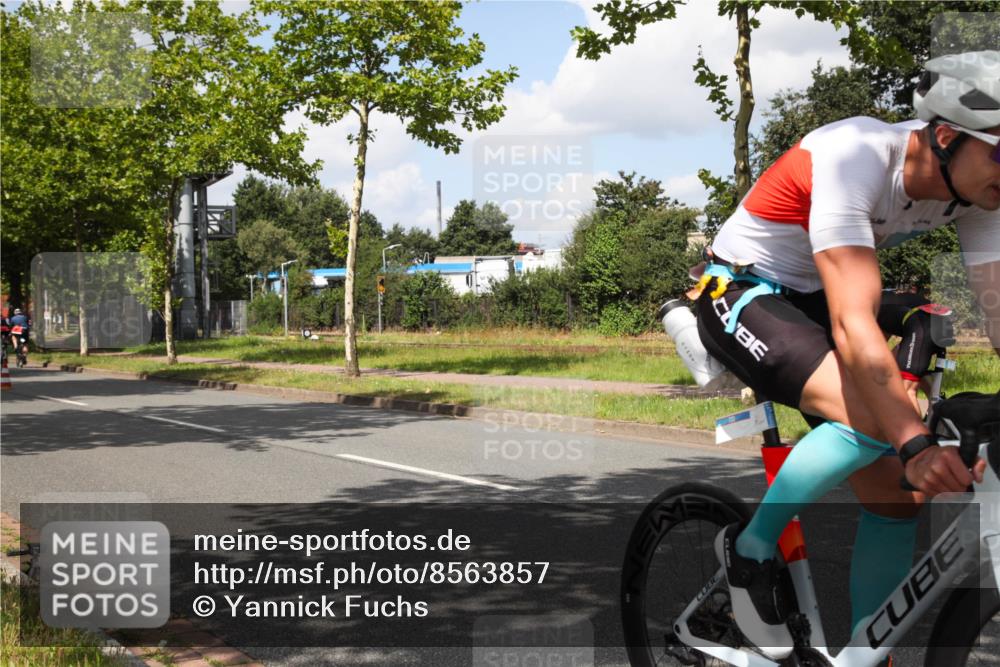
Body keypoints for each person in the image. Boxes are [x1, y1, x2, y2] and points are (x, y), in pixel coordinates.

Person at [692, 50, 1000, 658]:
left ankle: (866, 653)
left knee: (896, 500)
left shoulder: (979, 194)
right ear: (944, 136)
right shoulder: (855, 153)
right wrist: (913, 442)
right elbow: (852, 320)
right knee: (880, 420)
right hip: (742, 289)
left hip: (810, 298)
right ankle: (748, 552)